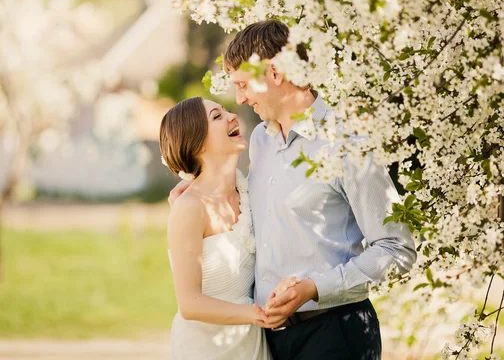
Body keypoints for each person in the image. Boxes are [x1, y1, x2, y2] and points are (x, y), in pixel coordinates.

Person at [169, 20, 417, 360]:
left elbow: (396, 249)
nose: (239, 98)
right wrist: (190, 194)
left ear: (274, 73)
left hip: (334, 333)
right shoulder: (259, 142)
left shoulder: (346, 145)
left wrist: (315, 288)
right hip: (269, 341)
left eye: (243, 84)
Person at [161, 97, 281, 359]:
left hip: (252, 343)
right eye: (217, 116)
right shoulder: (189, 207)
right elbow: (189, 304)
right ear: (197, 142)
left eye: (227, 110)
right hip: (207, 348)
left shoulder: (251, 191)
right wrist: (256, 313)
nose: (232, 116)